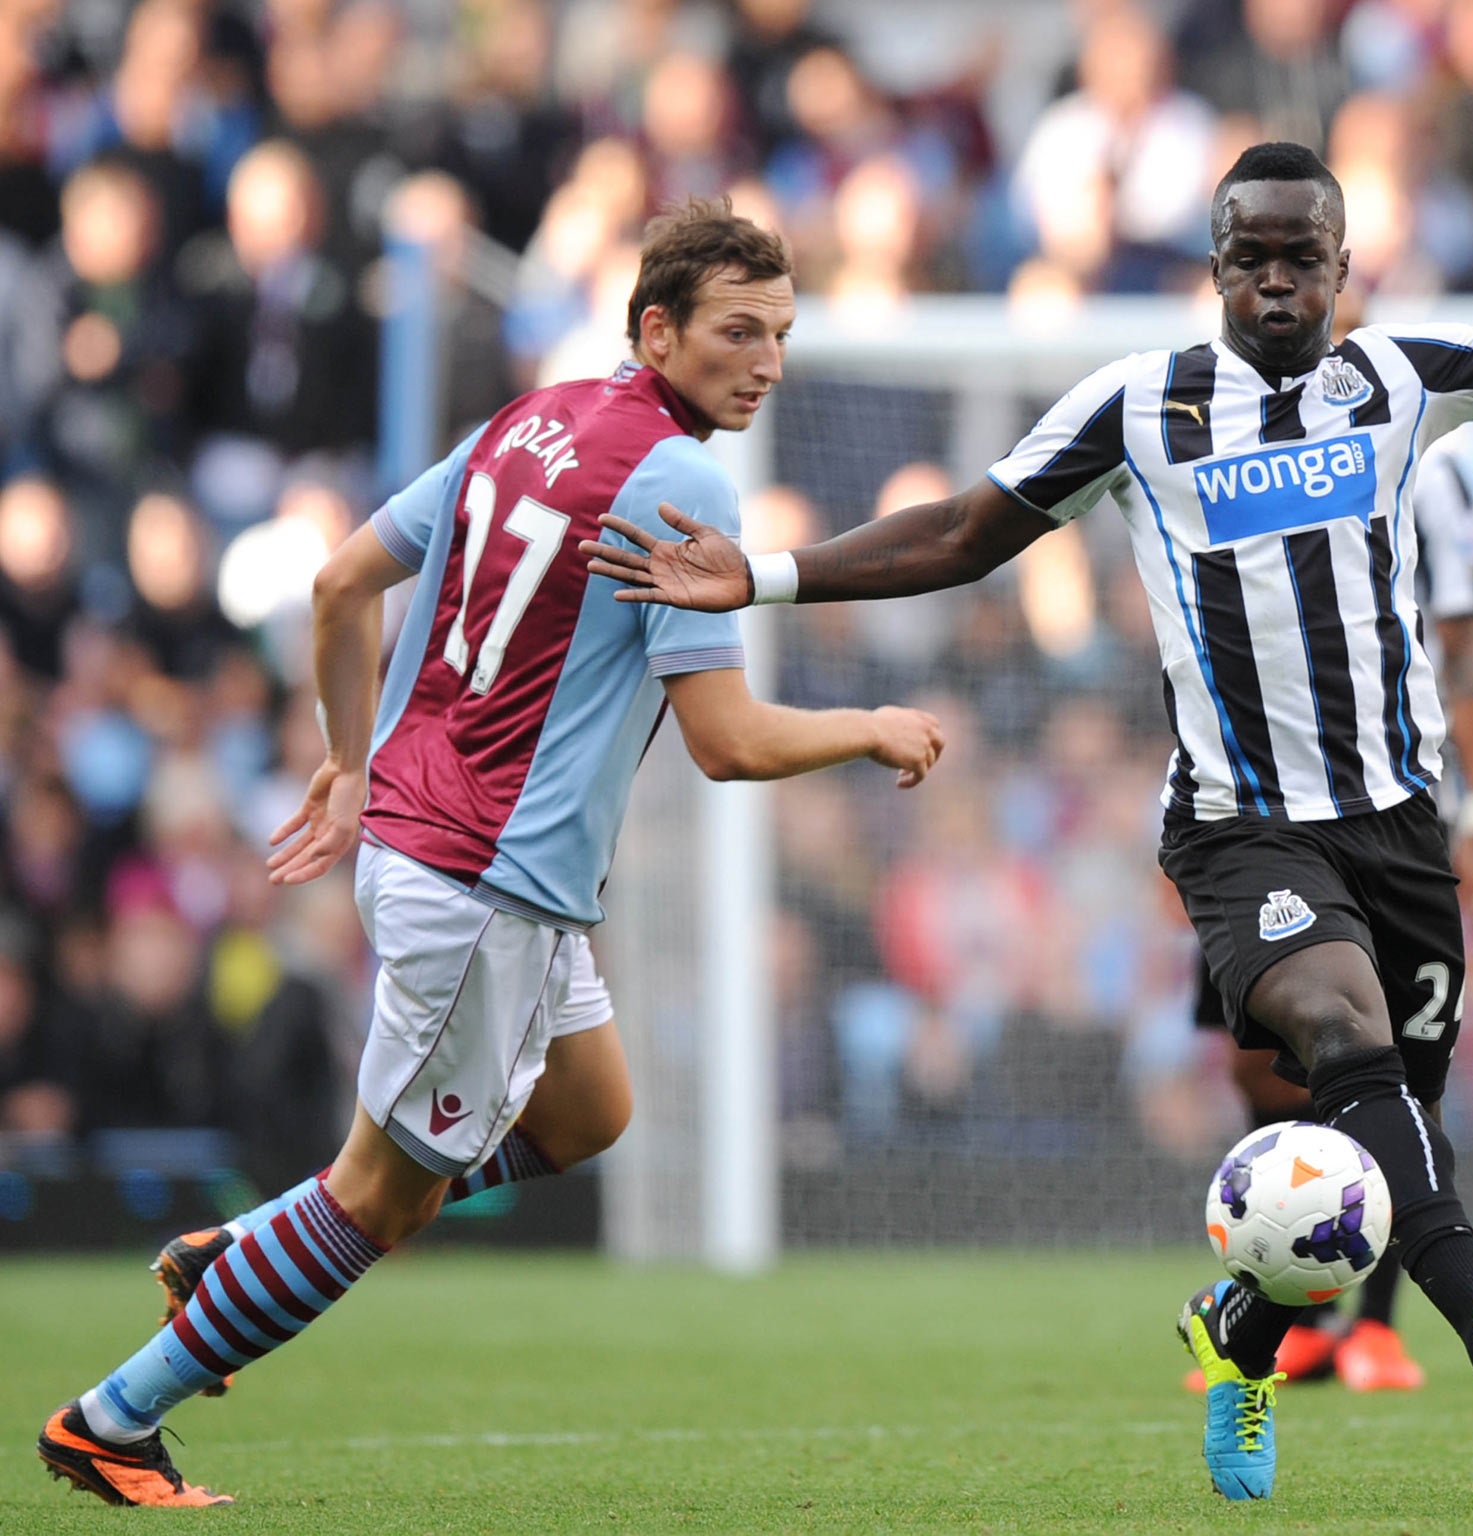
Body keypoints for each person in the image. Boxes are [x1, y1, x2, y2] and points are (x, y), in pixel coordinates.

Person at [585, 139, 1473, 1500]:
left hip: (1400, 826)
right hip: (1241, 831)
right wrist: (757, 578)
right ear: (1216, 263)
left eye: (1303, 257)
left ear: (1344, 266)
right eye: (1251, 256)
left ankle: (1245, 1330)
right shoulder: (1141, 407)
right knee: (1350, 1044)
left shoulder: (1399, 383)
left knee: (1378, 1143)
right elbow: (961, 532)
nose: (1277, 280)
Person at [36, 198, 946, 1509]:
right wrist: (868, 725)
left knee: (590, 1111)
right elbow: (728, 743)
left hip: (443, 846)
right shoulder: (683, 482)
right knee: (378, 1202)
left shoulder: (529, 418)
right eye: (737, 332)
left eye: (782, 335)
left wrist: (352, 760)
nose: (765, 362)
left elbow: (343, 582)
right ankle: (113, 1419)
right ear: (657, 329)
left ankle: (243, 1246)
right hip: (484, 881)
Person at [1182, 442, 1473, 1398]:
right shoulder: (1216, 452)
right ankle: (1288, 1313)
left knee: (1398, 1075)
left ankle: (1366, 1328)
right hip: (1251, 820)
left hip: (1391, 818)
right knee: (1263, 1060)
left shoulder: (1427, 467)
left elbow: (1464, 646)